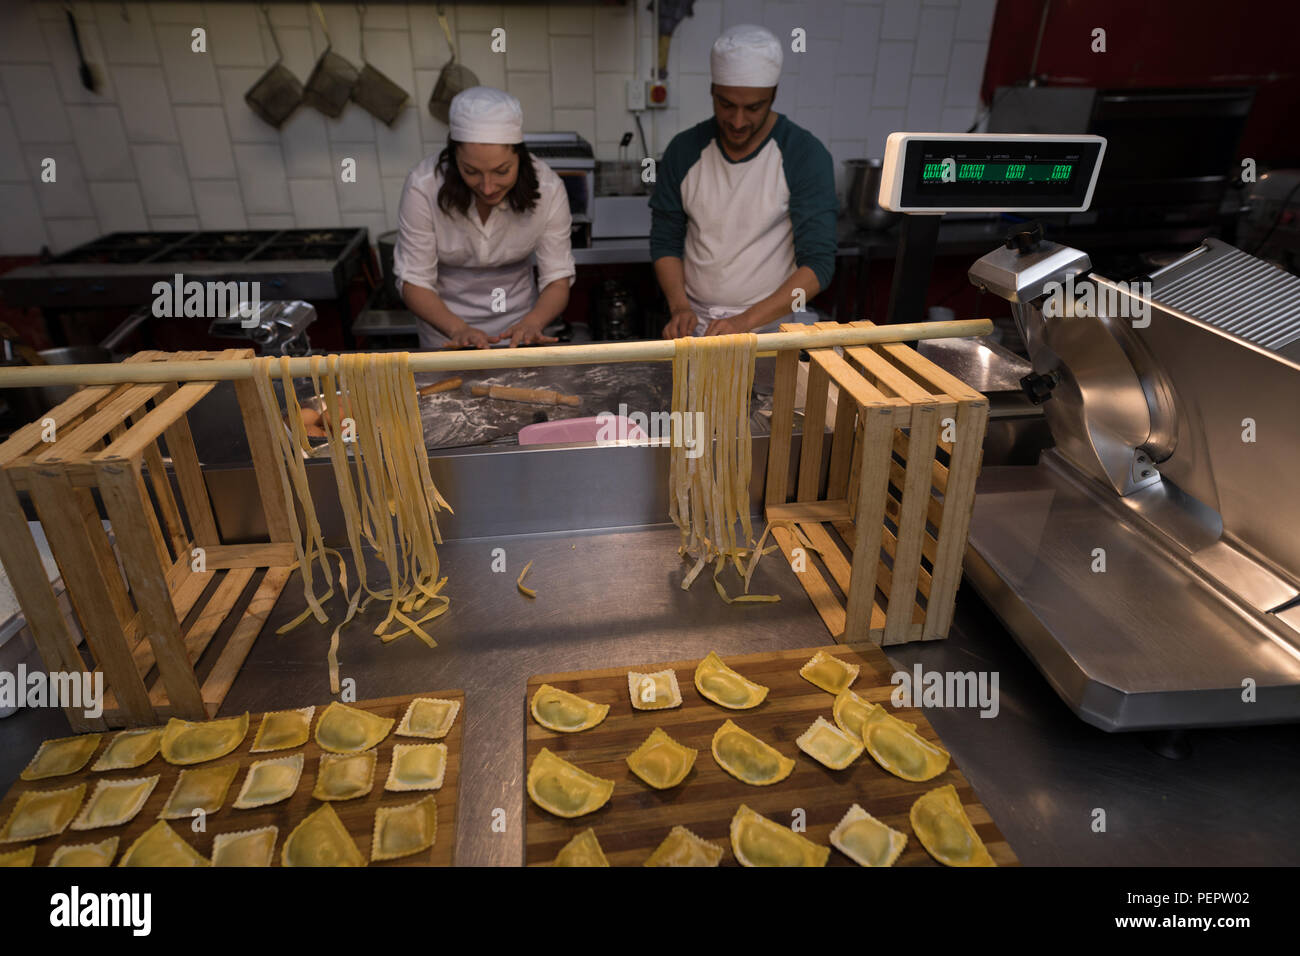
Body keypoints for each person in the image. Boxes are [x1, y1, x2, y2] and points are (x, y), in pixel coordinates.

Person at [652, 24, 838, 339]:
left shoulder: (804, 154)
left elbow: (818, 265)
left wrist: (745, 322)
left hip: (770, 330)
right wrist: (679, 307)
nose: (738, 122)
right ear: (712, 91)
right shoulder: (684, 151)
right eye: (726, 105)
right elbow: (665, 240)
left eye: (753, 108)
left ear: (773, 96)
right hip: (696, 329)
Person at [394, 86, 575, 349]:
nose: (487, 187)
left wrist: (533, 323)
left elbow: (557, 279)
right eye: (471, 171)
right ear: (454, 157)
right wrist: (458, 330)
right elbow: (414, 281)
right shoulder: (423, 187)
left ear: (519, 156)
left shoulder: (548, 188)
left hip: (519, 331)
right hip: (445, 334)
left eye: (502, 171)